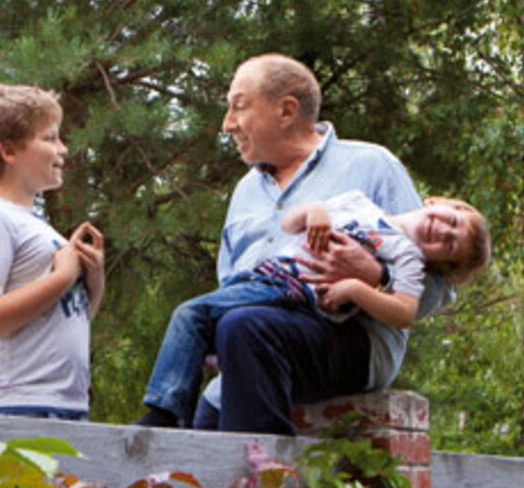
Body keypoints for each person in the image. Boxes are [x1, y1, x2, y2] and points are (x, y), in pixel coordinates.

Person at [165, 53, 470, 435]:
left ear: (286, 111)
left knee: (245, 328)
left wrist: (376, 275)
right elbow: (230, 286)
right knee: (200, 438)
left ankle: (265, 471)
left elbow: (439, 289)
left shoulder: (373, 165)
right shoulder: (244, 193)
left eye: (239, 107)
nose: (227, 124)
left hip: (350, 341)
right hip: (251, 346)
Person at [137, 189, 489, 430]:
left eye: (449, 244)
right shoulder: (356, 203)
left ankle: (176, 423)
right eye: (452, 222)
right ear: (438, 201)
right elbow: (290, 221)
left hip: (307, 303)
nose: (442, 231)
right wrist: (315, 211)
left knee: (227, 323)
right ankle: (178, 425)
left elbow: (409, 307)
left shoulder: (407, 255)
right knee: (214, 325)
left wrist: (364, 282)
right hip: (263, 278)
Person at [0, 82, 104, 420]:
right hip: (19, 405)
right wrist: (63, 277)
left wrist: (92, 280)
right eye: (49, 138)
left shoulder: (37, 225)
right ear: (8, 150)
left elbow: (67, 318)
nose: (63, 149)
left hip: (67, 404)